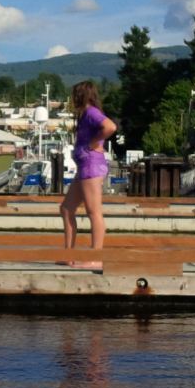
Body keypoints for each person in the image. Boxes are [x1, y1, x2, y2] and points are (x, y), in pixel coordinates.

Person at [60, 81, 117, 267]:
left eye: (74, 95)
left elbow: (110, 127)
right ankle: (69, 255)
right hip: (84, 167)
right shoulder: (85, 115)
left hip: (92, 166)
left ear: (81, 95)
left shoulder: (91, 112)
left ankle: (96, 258)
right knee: (67, 208)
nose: (72, 99)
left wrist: (94, 142)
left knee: (94, 212)